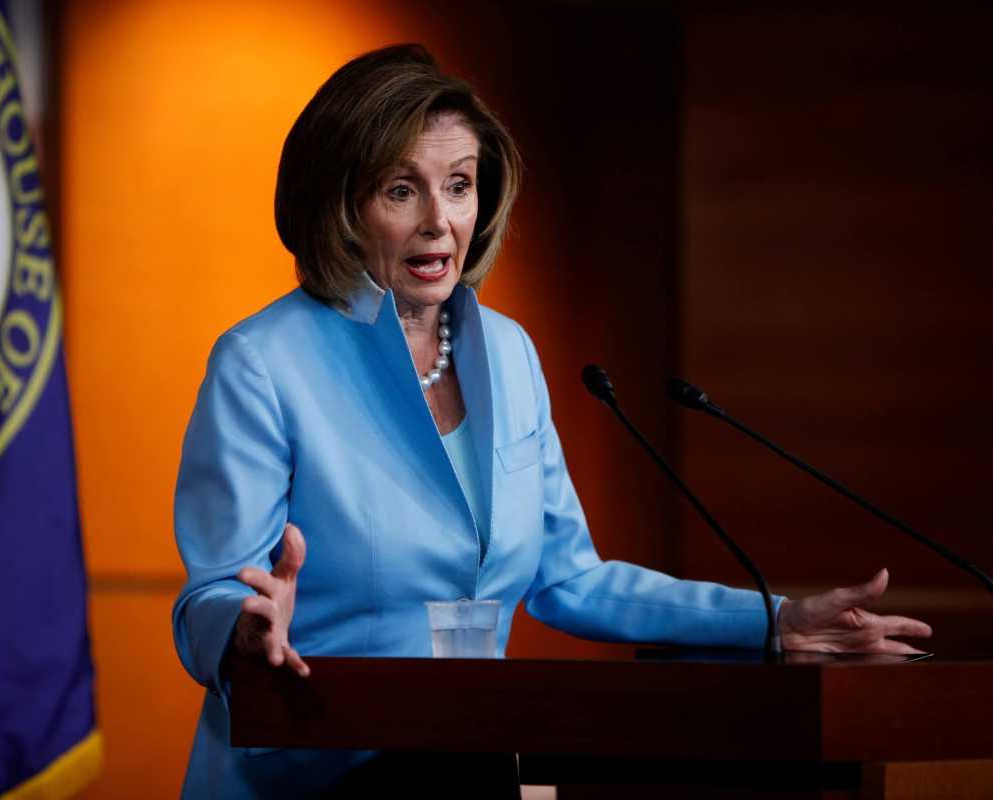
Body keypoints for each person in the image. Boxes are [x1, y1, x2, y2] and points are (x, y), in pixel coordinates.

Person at [170, 44, 931, 799]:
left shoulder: (506, 351)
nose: (440, 221)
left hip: (467, 764)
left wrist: (773, 621)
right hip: (308, 771)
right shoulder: (262, 362)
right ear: (338, 203)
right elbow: (209, 593)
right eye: (401, 190)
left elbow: (570, 580)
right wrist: (243, 629)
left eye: (459, 186)